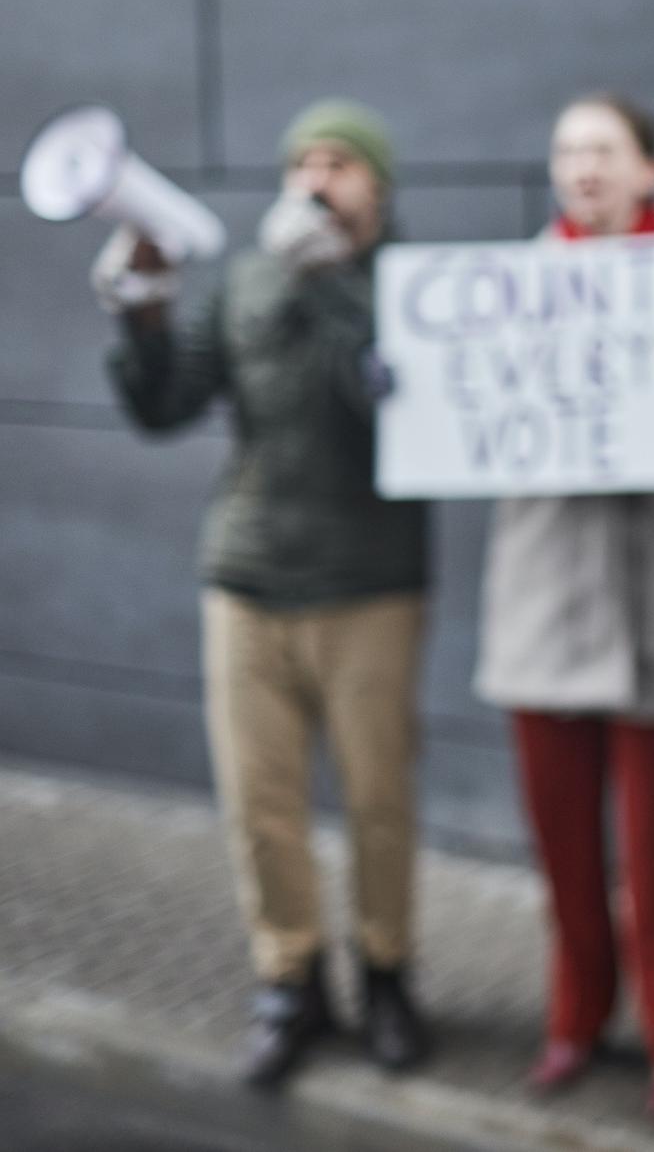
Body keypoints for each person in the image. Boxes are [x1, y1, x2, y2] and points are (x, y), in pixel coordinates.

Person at [93, 99, 431, 1087]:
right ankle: (290, 975)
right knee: (260, 804)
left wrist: (324, 282)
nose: (316, 181)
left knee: (379, 799)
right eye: (302, 164)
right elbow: (164, 403)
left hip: (371, 583)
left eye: (340, 165)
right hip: (246, 580)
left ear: (377, 185)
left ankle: (388, 972)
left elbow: (389, 408)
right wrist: (143, 312)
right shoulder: (246, 277)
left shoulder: (411, 289)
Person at [475, 93, 654, 1115]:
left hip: (644, 617)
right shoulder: (507, 287)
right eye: (567, 150)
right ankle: (573, 1018)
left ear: (648, 168)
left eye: (602, 149)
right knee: (562, 843)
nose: (582, 168)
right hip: (541, 603)